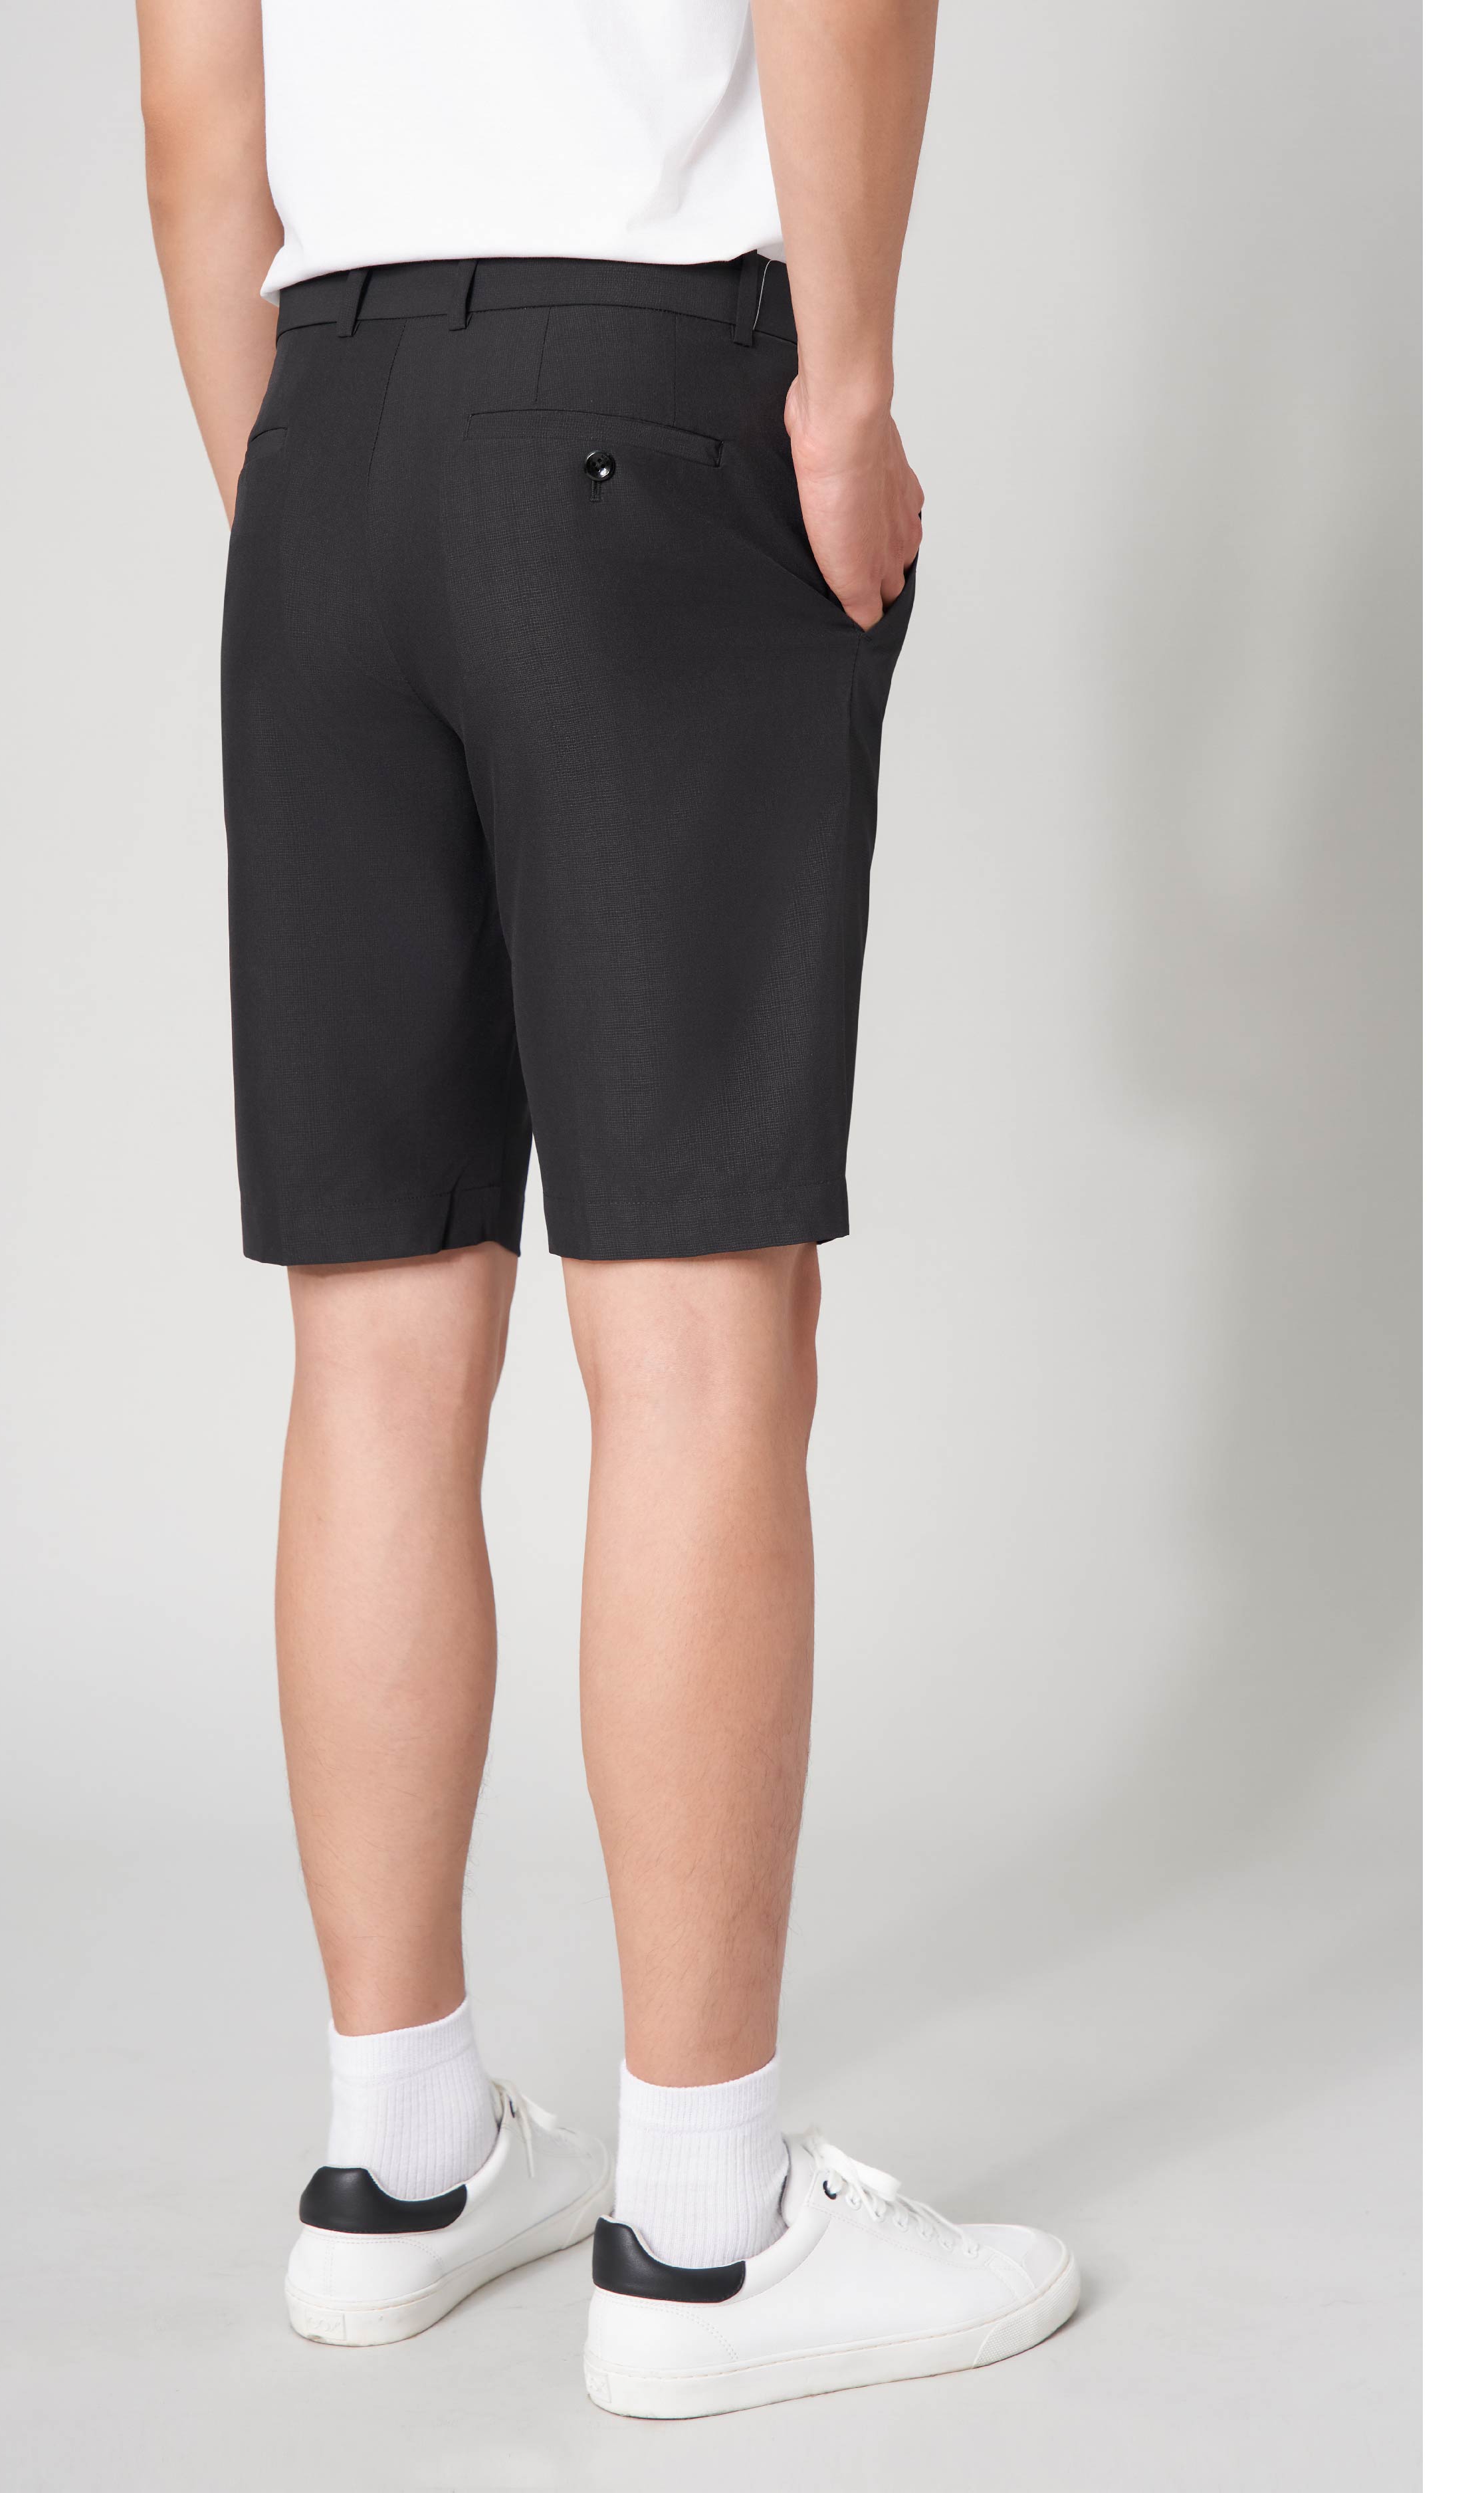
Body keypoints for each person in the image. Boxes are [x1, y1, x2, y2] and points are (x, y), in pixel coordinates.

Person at [136, 0, 1077, 2418]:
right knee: (697, 1330)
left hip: (320, 429)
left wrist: (319, 497)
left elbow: (200, 114)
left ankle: (398, 2156)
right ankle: (705, 2232)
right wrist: (846, 398)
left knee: (376, 1336)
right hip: (643, 402)